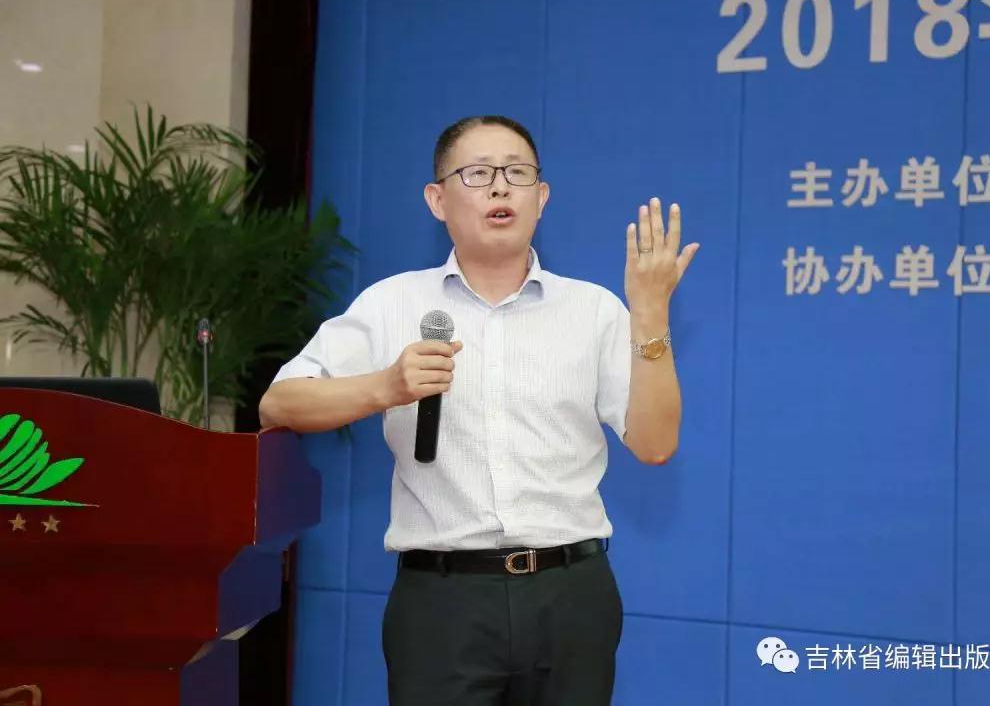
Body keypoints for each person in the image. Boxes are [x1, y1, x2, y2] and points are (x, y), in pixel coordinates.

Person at [258, 115, 699, 705]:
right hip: (442, 604)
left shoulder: (593, 310)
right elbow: (279, 403)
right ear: (437, 200)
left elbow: (655, 443)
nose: (499, 187)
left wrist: (649, 317)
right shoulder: (391, 303)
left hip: (571, 596)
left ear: (542, 197)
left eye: (517, 173)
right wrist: (385, 386)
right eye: (478, 173)